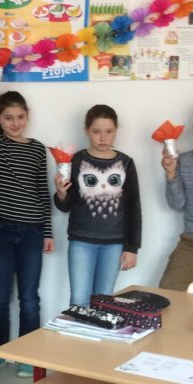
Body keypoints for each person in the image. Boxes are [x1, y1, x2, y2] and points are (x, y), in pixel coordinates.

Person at [0, 76, 52, 378]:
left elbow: (43, 192)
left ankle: (27, 355)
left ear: (27, 117)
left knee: (30, 298)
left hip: (32, 231)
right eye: (8, 118)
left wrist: (47, 232)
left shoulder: (37, 149)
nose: (15, 123)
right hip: (0, 231)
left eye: (20, 117)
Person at [54, 105, 141, 305]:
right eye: (96, 131)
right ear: (86, 131)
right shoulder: (75, 161)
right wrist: (61, 194)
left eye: (109, 131)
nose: (103, 137)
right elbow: (65, 206)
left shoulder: (126, 163)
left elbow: (133, 208)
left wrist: (132, 248)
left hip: (114, 245)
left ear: (116, 131)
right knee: (79, 300)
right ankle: (76, 327)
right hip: (81, 242)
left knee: (103, 301)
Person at [159, 103, 193, 291]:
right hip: (191, 241)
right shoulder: (182, 161)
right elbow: (177, 204)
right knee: (169, 290)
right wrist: (171, 174)